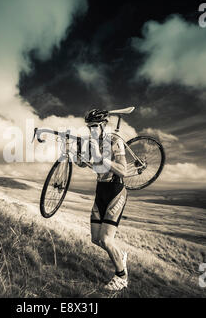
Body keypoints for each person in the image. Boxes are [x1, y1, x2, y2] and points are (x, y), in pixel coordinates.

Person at [77, 109, 129, 291]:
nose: (91, 130)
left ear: (103, 125)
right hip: (100, 189)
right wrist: (79, 159)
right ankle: (119, 255)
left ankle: (122, 277)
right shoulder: (92, 143)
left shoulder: (115, 140)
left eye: (94, 126)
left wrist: (101, 159)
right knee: (96, 239)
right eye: (89, 127)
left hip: (116, 189)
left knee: (106, 240)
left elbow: (123, 171)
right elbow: (86, 163)